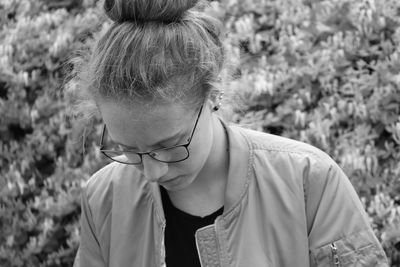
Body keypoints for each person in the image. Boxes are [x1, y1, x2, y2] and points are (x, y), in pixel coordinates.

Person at [71, 0, 389, 266]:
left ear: (213, 96)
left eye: (168, 146)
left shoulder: (309, 182)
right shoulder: (104, 199)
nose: (152, 172)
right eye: (129, 150)